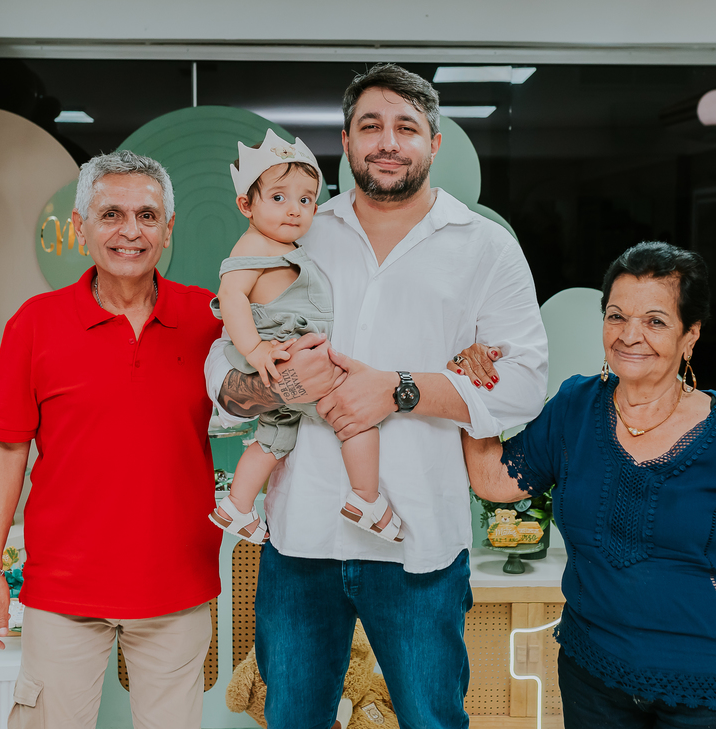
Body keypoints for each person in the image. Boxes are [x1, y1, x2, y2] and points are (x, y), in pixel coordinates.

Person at [205, 63, 548, 728]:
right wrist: (265, 384)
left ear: (434, 142)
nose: (388, 141)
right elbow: (226, 357)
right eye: (371, 126)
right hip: (301, 537)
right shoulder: (299, 227)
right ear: (346, 141)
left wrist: (400, 389)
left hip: (417, 543)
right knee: (293, 718)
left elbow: (526, 380)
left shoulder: (483, 247)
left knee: (430, 719)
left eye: (406, 127)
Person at [456, 241, 716, 729]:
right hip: (594, 672)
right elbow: (494, 479)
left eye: (655, 321)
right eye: (616, 316)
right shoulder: (575, 406)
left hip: (711, 685)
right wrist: (472, 388)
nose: (629, 335)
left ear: (690, 336)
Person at [0, 150, 223, 729]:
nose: (130, 231)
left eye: (147, 215)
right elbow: (7, 450)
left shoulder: (210, 317)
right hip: (64, 589)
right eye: (111, 214)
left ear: (168, 229)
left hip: (177, 586)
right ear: (81, 226)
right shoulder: (34, 323)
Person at [210, 129, 403, 544]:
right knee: (354, 417)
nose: (294, 210)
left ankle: (238, 506)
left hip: (286, 355)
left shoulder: (279, 244)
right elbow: (231, 296)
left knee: (274, 436)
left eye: (305, 199)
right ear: (247, 204)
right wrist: (255, 348)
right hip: (283, 354)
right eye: (278, 198)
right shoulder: (254, 247)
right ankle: (365, 498)